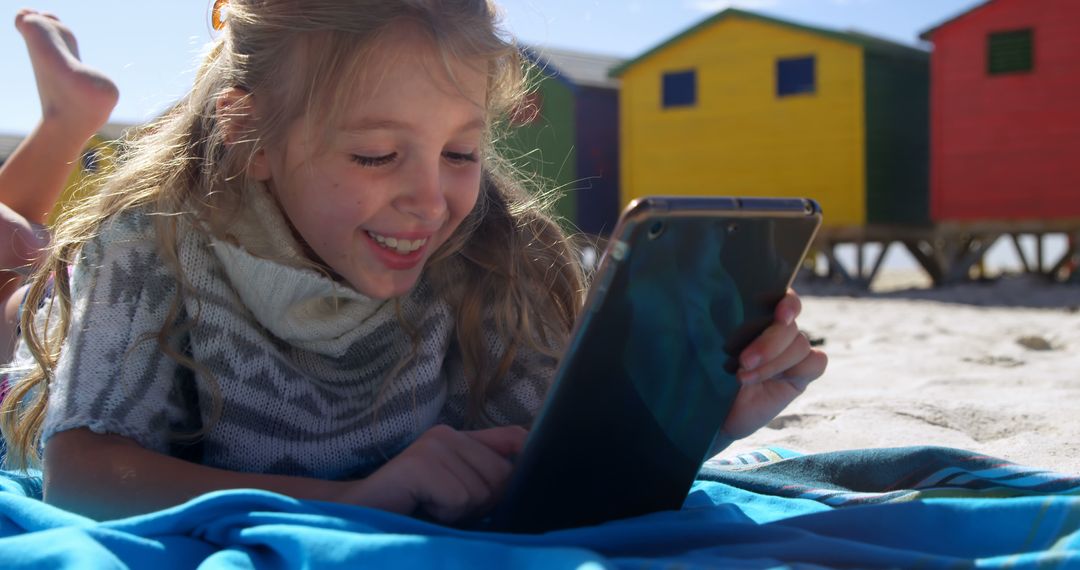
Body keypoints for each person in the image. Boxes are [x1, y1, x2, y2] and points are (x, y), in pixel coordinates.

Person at [0, 0, 827, 523]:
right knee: (13, 273)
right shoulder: (154, 240)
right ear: (250, 135)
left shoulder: (493, 249)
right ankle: (69, 125)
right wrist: (351, 500)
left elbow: (548, 451)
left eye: (461, 152)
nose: (430, 201)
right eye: (375, 157)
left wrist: (695, 418)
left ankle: (69, 123)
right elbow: (79, 475)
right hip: (36, 353)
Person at [0, 9, 119, 364]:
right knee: (17, 246)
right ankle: (67, 119)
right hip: (43, 310)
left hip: (37, 307)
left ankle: (67, 118)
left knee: (17, 246)